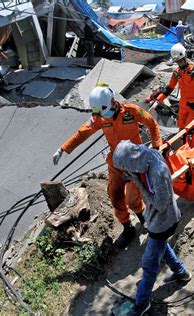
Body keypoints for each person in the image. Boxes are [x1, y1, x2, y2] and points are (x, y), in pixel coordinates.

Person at [52, 83, 162, 248]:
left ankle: (143, 218)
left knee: (132, 200)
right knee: (115, 196)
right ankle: (127, 228)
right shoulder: (100, 117)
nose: (106, 116)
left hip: (135, 161)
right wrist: (63, 148)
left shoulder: (132, 111)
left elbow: (152, 124)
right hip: (116, 162)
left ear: (112, 100)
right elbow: (83, 132)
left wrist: (156, 146)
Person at [113, 140, 191, 316]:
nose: (125, 173)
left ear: (132, 162)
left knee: (149, 264)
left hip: (164, 222)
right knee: (161, 248)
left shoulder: (157, 171)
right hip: (156, 221)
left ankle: (142, 304)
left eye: (125, 168)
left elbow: (161, 204)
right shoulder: (144, 159)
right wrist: (133, 176)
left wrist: (137, 182)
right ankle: (181, 272)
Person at [157, 43, 194, 129]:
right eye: (177, 62)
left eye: (180, 61)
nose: (179, 63)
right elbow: (169, 88)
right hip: (182, 106)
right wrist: (159, 99)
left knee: (191, 130)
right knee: (181, 130)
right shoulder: (177, 72)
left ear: (184, 56)